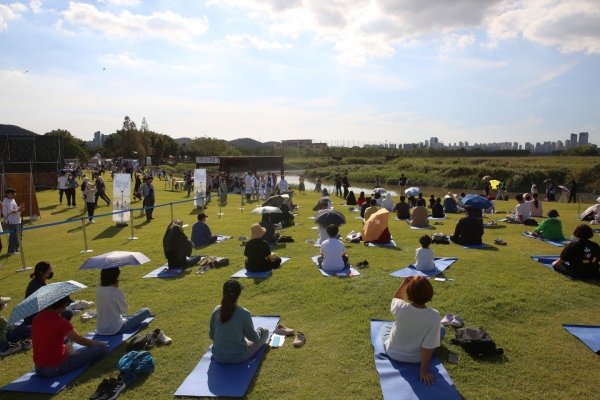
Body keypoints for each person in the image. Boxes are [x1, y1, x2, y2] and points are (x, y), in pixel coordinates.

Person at [380, 277, 444, 385]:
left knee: (385, 328)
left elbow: (396, 298)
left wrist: (404, 283)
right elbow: (427, 347)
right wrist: (423, 371)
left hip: (393, 353)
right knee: (441, 330)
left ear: (409, 294)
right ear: (430, 293)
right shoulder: (434, 315)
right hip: (417, 359)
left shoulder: (400, 308)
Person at [32, 295, 107, 377]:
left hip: (38, 368)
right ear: (60, 307)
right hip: (56, 367)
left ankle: (71, 353)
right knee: (100, 348)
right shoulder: (60, 322)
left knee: (64, 338)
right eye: (66, 304)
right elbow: (81, 340)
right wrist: (98, 343)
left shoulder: (37, 318)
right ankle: (73, 354)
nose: (67, 306)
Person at [209, 280, 270, 364]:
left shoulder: (216, 310)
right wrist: (261, 331)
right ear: (239, 294)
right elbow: (253, 338)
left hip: (218, 356)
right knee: (266, 331)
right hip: (240, 356)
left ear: (223, 293)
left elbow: (211, 335)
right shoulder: (243, 313)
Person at [96, 268, 153, 335]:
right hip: (116, 329)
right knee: (146, 310)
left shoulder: (98, 289)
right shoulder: (117, 293)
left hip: (100, 329)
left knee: (127, 317)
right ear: (115, 277)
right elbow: (124, 311)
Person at [24, 261, 76, 326]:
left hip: (30, 316)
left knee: (66, 309)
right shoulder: (40, 286)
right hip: (34, 317)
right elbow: (51, 306)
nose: (51, 273)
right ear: (41, 273)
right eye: (49, 272)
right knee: (68, 312)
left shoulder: (35, 282)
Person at [2, 188, 24, 255]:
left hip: (17, 220)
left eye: (14, 193)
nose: (14, 195)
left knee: (18, 235)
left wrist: (20, 208)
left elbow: (16, 209)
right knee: (13, 235)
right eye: (12, 193)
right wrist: (19, 209)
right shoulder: (6, 201)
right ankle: (11, 250)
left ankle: (16, 248)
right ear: (8, 194)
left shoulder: (13, 200)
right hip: (11, 221)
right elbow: (11, 211)